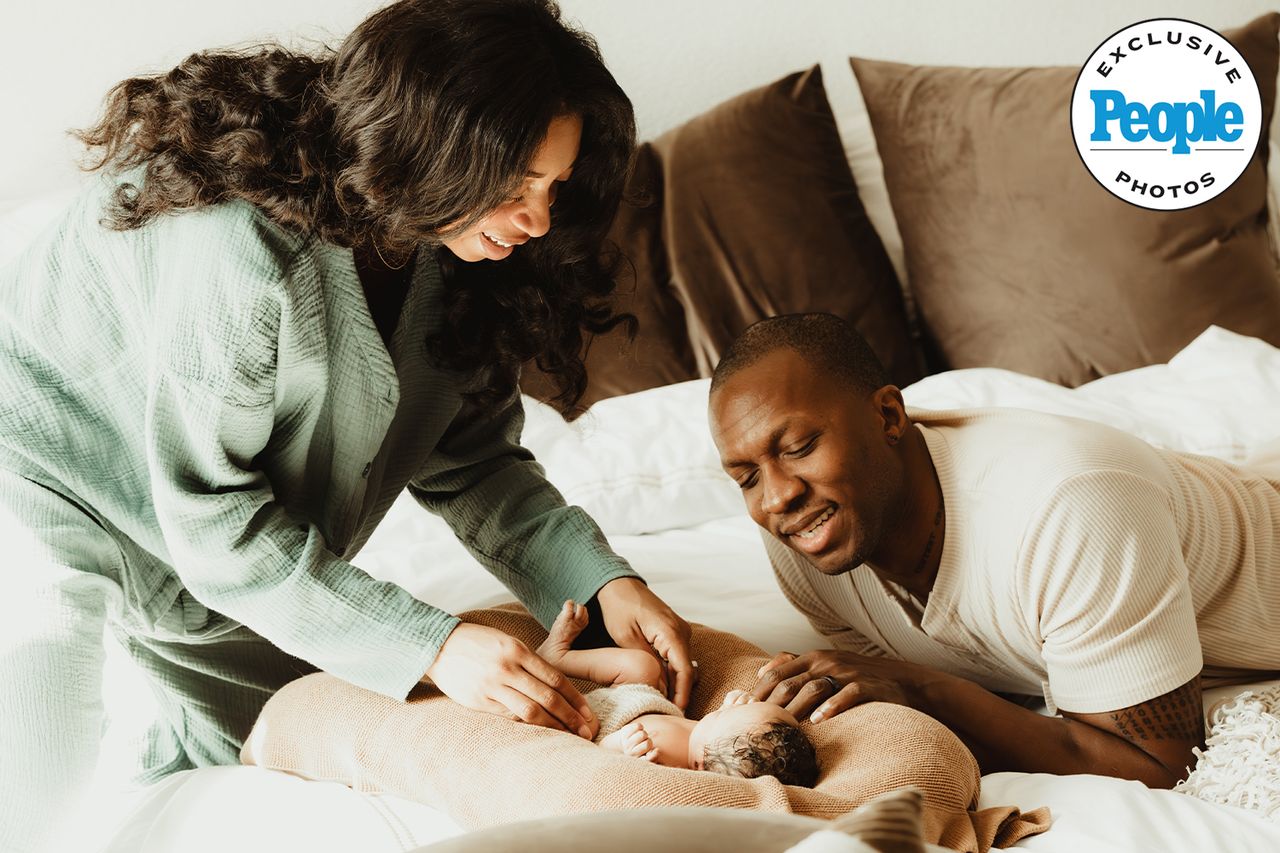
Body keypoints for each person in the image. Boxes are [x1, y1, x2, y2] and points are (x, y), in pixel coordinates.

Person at [0, 2, 695, 850]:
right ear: (437, 152)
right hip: (37, 472)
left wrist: (597, 580)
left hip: (213, 547)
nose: (539, 222)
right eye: (515, 189)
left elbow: (473, 460)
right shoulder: (241, 260)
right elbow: (215, 522)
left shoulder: (455, 260)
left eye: (551, 188)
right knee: (38, 792)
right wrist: (435, 643)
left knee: (264, 753)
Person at [706, 312, 1280, 789]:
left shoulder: (1069, 503)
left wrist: (916, 685)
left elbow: (1159, 767)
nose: (777, 496)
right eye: (746, 478)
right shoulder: (807, 538)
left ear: (887, 415)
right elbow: (982, 690)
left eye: (801, 446)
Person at [538, 601, 820, 787]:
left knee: (633, 671)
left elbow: (605, 763)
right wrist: (736, 706)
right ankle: (558, 658)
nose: (740, 703)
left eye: (732, 713)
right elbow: (734, 724)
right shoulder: (713, 740)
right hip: (641, 697)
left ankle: (552, 661)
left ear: (699, 766)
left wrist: (622, 748)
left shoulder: (670, 761)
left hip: (594, 724)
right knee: (643, 665)